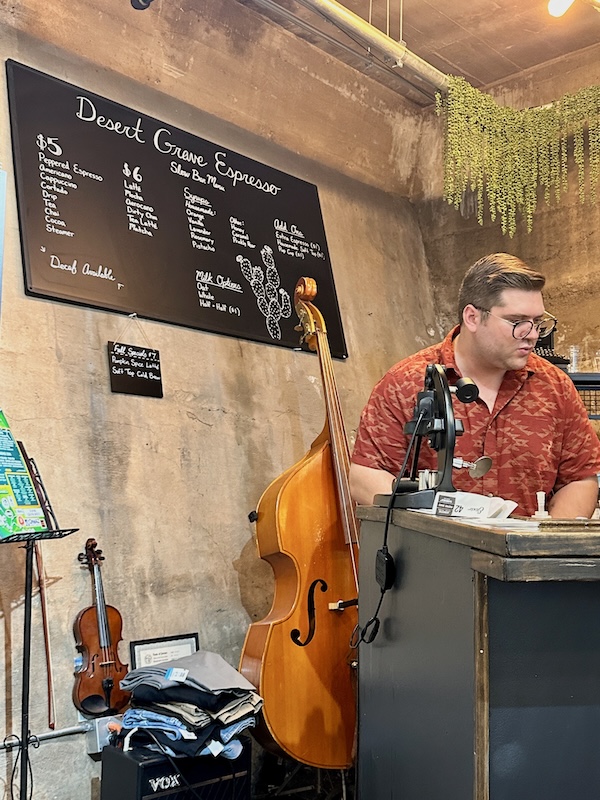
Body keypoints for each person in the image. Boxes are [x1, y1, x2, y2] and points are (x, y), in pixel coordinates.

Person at [349, 253, 600, 518]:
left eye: (538, 323)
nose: (533, 335)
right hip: (434, 554)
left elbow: (580, 478)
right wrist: (439, 521)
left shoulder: (555, 387)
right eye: (518, 323)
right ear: (472, 317)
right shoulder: (406, 381)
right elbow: (365, 476)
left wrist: (543, 548)